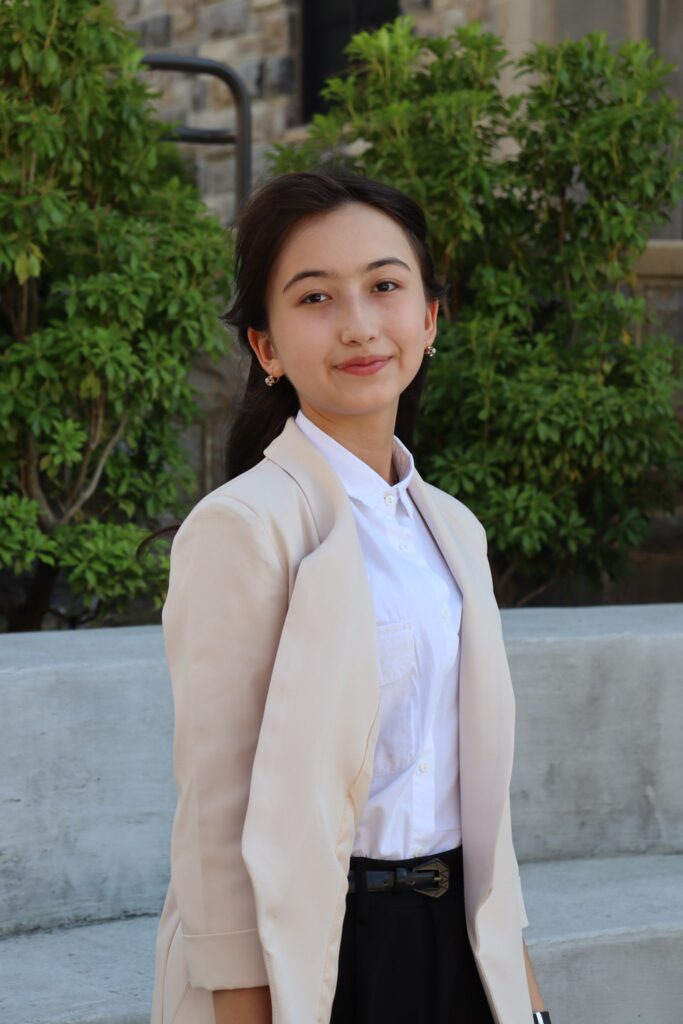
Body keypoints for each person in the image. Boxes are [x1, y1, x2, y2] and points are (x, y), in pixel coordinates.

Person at [150, 167, 550, 1024]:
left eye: (384, 286)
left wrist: (524, 991)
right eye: (315, 299)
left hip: (462, 952)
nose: (359, 325)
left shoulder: (452, 529)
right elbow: (215, 814)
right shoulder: (244, 528)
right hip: (329, 957)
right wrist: (243, 1008)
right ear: (265, 347)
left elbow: (469, 791)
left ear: (429, 317)